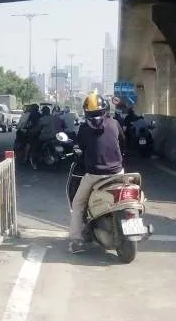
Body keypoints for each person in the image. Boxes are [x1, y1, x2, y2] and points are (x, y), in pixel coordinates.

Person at [68, 92, 125, 254]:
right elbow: (123, 143)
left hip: (94, 175)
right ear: (105, 108)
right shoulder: (114, 123)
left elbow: (81, 147)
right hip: (117, 172)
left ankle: (76, 240)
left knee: (78, 204)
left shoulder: (84, 128)